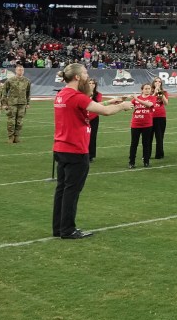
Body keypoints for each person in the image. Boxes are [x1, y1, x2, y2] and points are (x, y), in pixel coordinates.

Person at [52, 63, 134, 239]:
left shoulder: (62, 94)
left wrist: (110, 101)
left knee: (62, 189)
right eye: (85, 73)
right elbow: (104, 112)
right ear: (77, 77)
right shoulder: (77, 96)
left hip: (61, 147)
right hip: (75, 149)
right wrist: (122, 106)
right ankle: (68, 229)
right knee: (72, 191)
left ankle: (59, 227)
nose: (87, 76)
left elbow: (88, 109)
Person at [128, 83, 156, 169]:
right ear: (142, 90)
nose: (147, 90)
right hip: (135, 124)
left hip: (147, 124)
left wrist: (136, 98)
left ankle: (146, 161)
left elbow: (149, 105)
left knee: (146, 144)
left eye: (149, 88)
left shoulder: (152, 98)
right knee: (134, 144)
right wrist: (122, 101)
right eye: (146, 88)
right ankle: (131, 162)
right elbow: (128, 106)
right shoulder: (136, 99)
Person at [150, 77, 169, 159]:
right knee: (148, 137)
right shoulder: (149, 91)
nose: (158, 83)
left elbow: (166, 103)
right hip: (150, 116)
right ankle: (147, 154)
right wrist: (155, 92)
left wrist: (160, 92)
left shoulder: (164, 92)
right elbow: (149, 101)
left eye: (159, 81)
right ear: (153, 83)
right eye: (156, 81)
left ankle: (159, 154)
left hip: (160, 116)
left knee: (160, 137)